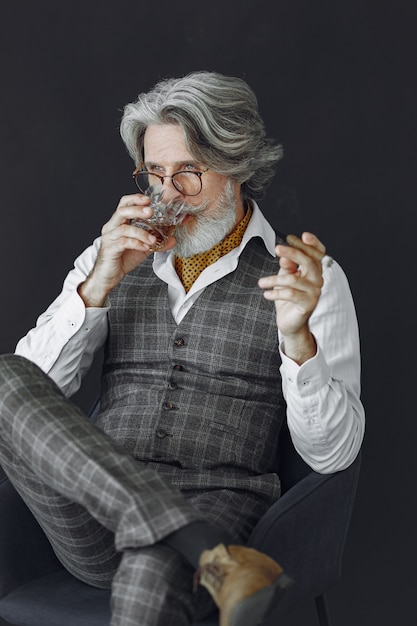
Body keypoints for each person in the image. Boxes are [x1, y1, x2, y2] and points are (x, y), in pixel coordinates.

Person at [0, 71, 365, 626]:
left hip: (220, 504)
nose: (167, 195)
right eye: (155, 174)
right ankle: (209, 554)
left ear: (237, 167)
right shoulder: (109, 257)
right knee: (6, 376)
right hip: (90, 517)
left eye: (189, 173)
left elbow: (331, 457)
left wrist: (297, 338)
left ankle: (197, 546)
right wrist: (96, 288)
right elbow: (30, 404)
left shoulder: (308, 279)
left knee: (150, 573)